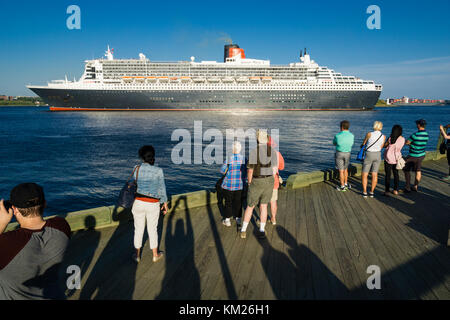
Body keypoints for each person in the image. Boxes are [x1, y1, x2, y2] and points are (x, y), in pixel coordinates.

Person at [0, 183, 71, 300]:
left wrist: (2, 223)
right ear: (45, 204)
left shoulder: (6, 243)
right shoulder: (62, 227)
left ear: (15, 210)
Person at [131, 145, 168, 263]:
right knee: (152, 230)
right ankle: (155, 255)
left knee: (138, 229)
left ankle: (137, 255)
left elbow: (135, 183)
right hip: (152, 204)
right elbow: (162, 189)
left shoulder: (136, 168)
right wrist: (165, 204)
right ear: (153, 156)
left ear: (142, 157)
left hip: (138, 203)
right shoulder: (158, 171)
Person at [240, 129, 278, 240]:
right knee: (264, 206)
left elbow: (250, 171)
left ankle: (243, 230)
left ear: (257, 139)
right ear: (266, 139)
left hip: (256, 181)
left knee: (250, 206)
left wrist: (250, 182)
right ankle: (261, 230)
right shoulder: (273, 152)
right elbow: (275, 170)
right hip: (269, 181)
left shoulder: (254, 152)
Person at [220, 141, 246, 227]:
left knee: (228, 202)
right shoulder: (244, 159)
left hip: (228, 185)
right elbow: (246, 171)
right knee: (238, 202)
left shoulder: (229, 158)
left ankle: (227, 220)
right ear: (240, 149)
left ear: (232, 149)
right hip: (239, 185)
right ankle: (238, 218)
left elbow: (222, 171)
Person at [360, 121, 385, 198]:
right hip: (378, 154)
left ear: (374, 126)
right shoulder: (383, 136)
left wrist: (363, 145)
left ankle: (364, 192)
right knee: (374, 174)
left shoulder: (369, 134)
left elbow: (364, 143)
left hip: (369, 154)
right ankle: (371, 192)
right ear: (381, 127)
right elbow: (381, 147)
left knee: (365, 174)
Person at [403, 119, 429, 192]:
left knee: (406, 169)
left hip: (413, 155)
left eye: (417, 124)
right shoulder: (426, 134)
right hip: (421, 155)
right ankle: (415, 186)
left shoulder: (415, 135)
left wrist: (411, 144)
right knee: (418, 170)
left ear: (419, 125)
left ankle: (407, 186)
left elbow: (407, 142)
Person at [383, 125, 405, 195]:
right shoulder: (403, 139)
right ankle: (395, 190)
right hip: (396, 158)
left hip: (388, 158)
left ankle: (387, 191)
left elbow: (385, 146)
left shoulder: (390, 138)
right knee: (396, 174)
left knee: (388, 175)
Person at [333, 120, 355, 191]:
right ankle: (346, 183)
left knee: (341, 171)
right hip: (348, 153)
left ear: (341, 127)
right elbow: (351, 144)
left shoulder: (337, 135)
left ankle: (342, 186)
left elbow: (334, 143)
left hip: (339, 153)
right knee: (346, 169)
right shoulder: (352, 135)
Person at [267, 136, 285, 225]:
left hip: (263, 180)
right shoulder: (278, 154)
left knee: (263, 202)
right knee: (273, 201)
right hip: (274, 181)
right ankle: (273, 218)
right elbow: (281, 167)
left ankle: (262, 220)